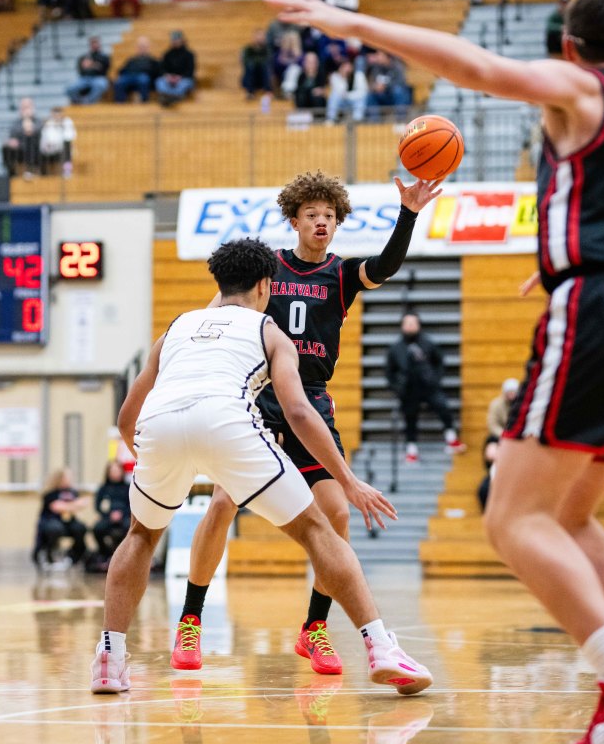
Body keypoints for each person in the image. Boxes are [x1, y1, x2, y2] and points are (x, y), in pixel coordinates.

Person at [266, 0, 604, 744]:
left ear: (568, 48)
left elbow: (475, 65)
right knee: (576, 520)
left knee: (512, 520)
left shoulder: (586, 89)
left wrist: (347, 22)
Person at [92, 238, 431, 696]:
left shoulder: (175, 328)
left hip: (159, 425)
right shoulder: (269, 330)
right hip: (228, 423)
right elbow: (298, 412)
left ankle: (109, 660)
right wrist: (348, 480)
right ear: (266, 285)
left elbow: (126, 417)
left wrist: (157, 457)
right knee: (317, 529)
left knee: (141, 535)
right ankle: (381, 647)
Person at [175, 170, 442, 674]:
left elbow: (385, 264)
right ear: (294, 220)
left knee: (336, 516)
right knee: (224, 503)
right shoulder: (267, 270)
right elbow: (217, 311)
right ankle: (191, 619)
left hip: (311, 403)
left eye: (330, 216)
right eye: (312, 215)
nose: (322, 222)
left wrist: (408, 213)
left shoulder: (341, 275)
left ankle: (314, 628)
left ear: (338, 223)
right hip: (258, 399)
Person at [386, 312, 466, 463]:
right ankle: (411, 450)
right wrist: (397, 387)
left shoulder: (428, 343)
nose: (410, 326)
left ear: (418, 324)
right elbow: (389, 372)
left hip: (429, 386)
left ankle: (451, 438)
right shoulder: (396, 348)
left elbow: (440, 362)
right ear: (402, 326)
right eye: (407, 323)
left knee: (443, 407)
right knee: (410, 418)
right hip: (408, 389)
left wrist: (435, 379)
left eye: (413, 323)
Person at [35, 469, 88, 567]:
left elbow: (82, 503)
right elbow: (56, 507)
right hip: (52, 521)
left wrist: (69, 506)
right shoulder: (50, 493)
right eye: (67, 477)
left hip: (68, 521)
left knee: (80, 528)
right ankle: (49, 554)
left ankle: (74, 554)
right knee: (55, 529)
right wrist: (74, 505)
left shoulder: (73, 492)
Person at [92, 461, 130, 565]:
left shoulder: (128, 487)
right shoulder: (103, 488)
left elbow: (132, 505)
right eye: (113, 471)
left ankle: (125, 555)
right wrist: (109, 515)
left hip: (125, 516)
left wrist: (122, 514)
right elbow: (97, 506)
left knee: (129, 529)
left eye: (117, 470)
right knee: (97, 529)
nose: (115, 473)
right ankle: (105, 554)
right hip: (108, 517)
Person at [365, 50, 410, 121]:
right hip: (382, 95)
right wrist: (375, 87)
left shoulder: (397, 67)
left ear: (387, 57)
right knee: (370, 95)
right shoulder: (376, 68)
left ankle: (401, 119)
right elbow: (372, 82)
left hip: (393, 95)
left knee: (398, 91)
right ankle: (374, 121)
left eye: (380, 55)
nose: (378, 57)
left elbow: (401, 82)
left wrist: (386, 86)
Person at [113, 37, 160, 103]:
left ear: (148, 48)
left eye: (144, 46)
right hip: (129, 76)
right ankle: (120, 102)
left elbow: (156, 72)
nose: (142, 48)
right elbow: (122, 69)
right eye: (140, 46)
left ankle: (144, 101)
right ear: (137, 48)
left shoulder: (152, 60)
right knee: (119, 81)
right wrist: (120, 74)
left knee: (143, 79)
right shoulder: (132, 59)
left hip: (142, 76)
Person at [155, 31, 195, 107]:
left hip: (183, 78)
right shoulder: (167, 54)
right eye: (173, 39)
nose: (175, 41)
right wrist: (168, 76)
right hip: (169, 79)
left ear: (181, 40)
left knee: (184, 83)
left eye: (177, 39)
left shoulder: (189, 55)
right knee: (159, 81)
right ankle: (173, 97)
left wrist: (179, 77)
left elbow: (190, 71)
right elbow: (162, 69)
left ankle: (170, 97)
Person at [2, 97, 41, 177]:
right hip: (20, 150)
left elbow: (34, 131)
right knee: (6, 148)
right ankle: (11, 173)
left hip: (35, 150)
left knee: (29, 138)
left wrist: (27, 119)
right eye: (23, 107)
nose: (25, 109)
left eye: (27, 107)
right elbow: (13, 134)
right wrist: (11, 141)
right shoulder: (16, 122)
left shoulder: (38, 121)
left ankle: (30, 170)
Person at [67, 37, 111, 105]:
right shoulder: (83, 57)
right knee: (69, 88)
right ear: (90, 45)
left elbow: (104, 69)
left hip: (98, 78)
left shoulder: (104, 57)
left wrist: (90, 65)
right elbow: (81, 70)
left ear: (99, 44)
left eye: (96, 43)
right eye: (92, 43)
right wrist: (95, 65)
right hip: (85, 78)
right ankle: (78, 101)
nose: (94, 45)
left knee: (101, 85)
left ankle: (88, 101)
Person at [325, 59, 368, 123]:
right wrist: (344, 77)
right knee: (334, 95)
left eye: (349, 67)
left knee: (361, 100)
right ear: (340, 68)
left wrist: (348, 96)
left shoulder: (359, 75)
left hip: (355, 101)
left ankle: (357, 121)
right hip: (342, 102)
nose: (347, 70)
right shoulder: (335, 76)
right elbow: (340, 92)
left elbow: (362, 93)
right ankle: (330, 119)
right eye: (344, 67)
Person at [39, 106, 77, 176]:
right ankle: (43, 174)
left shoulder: (67, 122)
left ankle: (67, 170)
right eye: (55, 114)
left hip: (62, 150)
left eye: (59, 114)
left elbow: (70, 136)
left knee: (67, 146)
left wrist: (62, 127)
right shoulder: (49, 123)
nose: (57, 116)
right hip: (50, 150)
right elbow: (47, 138)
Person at [241, 29, 273, 101]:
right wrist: (258, 62)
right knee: (250, 66)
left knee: (264, 66)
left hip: (263, 75)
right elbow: (246, 61)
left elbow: (268, 60)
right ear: (254, 37)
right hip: (251, 75)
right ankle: (250, 92)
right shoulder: (248, 49)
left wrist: (256, 61)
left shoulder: (267, 49)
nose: (259, 38)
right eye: (257, 36)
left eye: (261, 36)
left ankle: (268, 90)